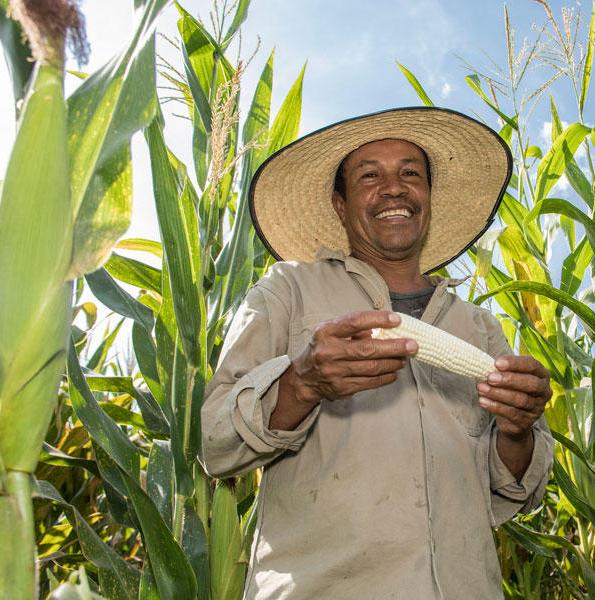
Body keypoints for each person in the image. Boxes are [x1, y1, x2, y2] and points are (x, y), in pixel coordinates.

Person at [201, 107, 554, 599]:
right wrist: (302, 383)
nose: (394, 188)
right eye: (370, 175)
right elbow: (215, 443)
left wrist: (518, 430)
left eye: (411, 173)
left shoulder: (479, 327)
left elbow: (512, 491)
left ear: (427, 198)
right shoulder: (287, 291)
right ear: (340, 205)